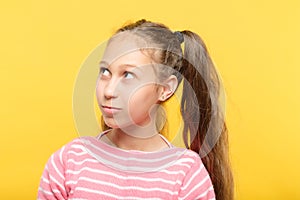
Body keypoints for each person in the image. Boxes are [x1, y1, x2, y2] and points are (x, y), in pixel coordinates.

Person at [38, 19, 234, 200]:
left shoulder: (186, 174)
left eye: (128, 75)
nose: (109, 90)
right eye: (105, 72)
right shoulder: (69, 160)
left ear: (165, 89)